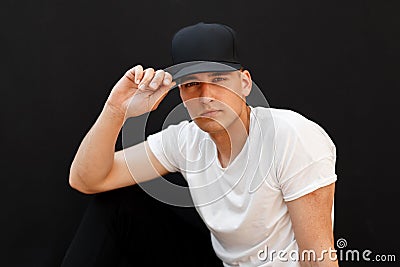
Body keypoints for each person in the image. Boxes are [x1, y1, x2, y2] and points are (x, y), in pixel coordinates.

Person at [65, 22, 338, 266]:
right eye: (192, 84)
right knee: (118, 201)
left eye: (218, 79)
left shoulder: (291, 135)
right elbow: (87, 180)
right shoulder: (186, 140)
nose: (206, 96)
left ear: (244, 83)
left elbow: (318, 256)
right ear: (181, 93)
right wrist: (115, 110)